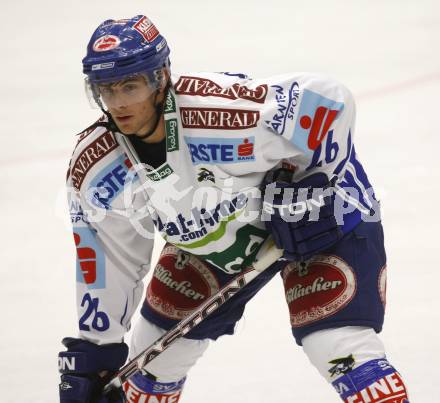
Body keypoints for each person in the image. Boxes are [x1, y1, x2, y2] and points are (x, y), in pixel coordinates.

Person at [58, 14, 410, 403]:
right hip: (208, 244)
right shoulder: (96, 167)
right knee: (151, 364)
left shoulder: (223, 114)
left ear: (161, 79)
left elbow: (329, 100)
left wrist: (313, 188)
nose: (119, 103)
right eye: (107, 90)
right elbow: (110, 259)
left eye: (131, 86)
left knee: (338, 347)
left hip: (323, 223)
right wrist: (98, 349)